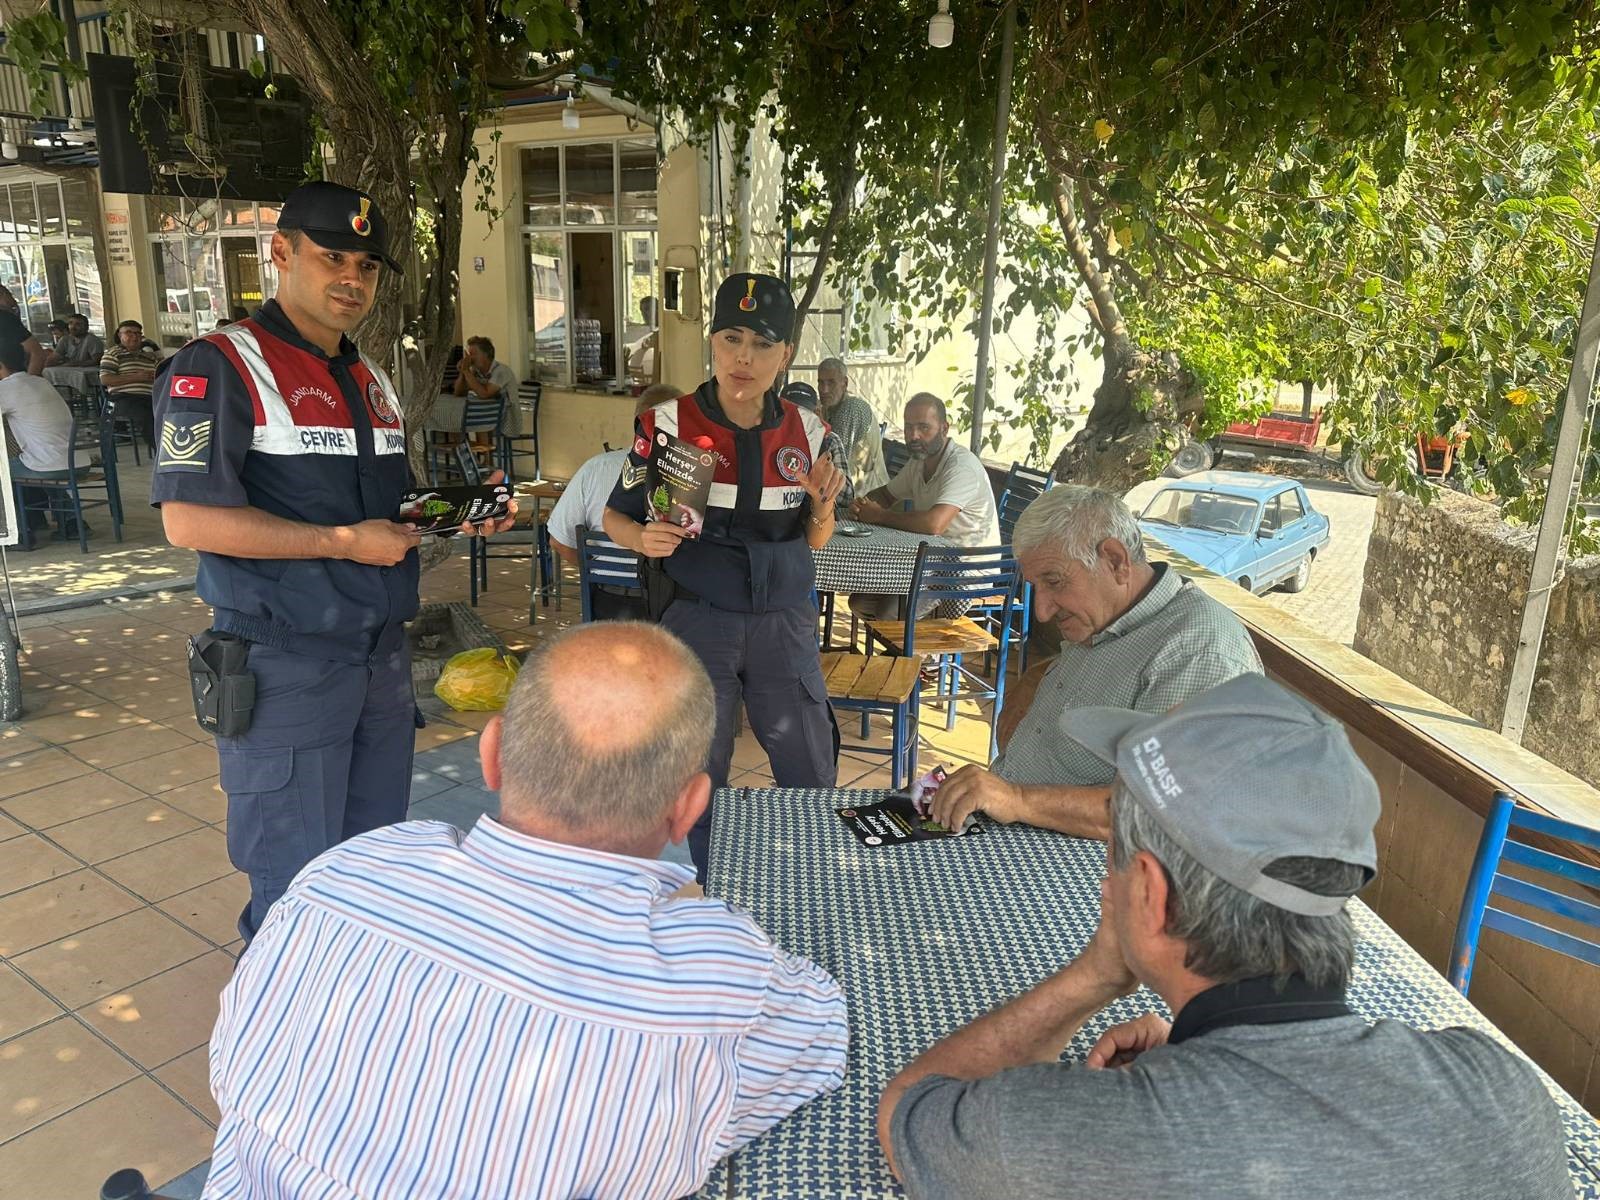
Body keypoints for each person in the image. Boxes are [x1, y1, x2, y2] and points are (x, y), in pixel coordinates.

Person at [206, 621, 848, 1199]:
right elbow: (820, 1037)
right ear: (688, 807)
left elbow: (231, 1060)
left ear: (492, 754)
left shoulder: (347, 873)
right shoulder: (710, 968)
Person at [879, 674, 1570, 1200]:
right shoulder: (1505, 1091)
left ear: (1149, 894)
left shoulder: (1096, 1137)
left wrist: (1096, 974)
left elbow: (910, 1113)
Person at [150, 180, 517, 942]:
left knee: (369, 869)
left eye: (368, 265)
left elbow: (384, 513)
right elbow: (187, 521)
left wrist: (457, 514)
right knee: (294, 889)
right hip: (286, 666)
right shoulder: (219, 366)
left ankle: (348, 1040)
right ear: (280, 252)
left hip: (381, 664)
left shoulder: (371, 379)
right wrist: (342, 543)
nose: (353, 278)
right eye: (332, 256)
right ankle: (277, 1050)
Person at [604, 272, 845, 879]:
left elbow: (815, 539)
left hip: (784, 622)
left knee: (809, 763)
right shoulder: (667, 424)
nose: (745, 356)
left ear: (786, 355)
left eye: (763, 343)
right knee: (699, 769)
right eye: (731, 337)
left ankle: (813, 885)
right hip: (698, 617)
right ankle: (714, 889)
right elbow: (615, 513)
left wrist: (822, 510)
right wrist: (642, 537)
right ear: (711, 342)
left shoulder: (809, 432)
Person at [927, 484, 1261, 840]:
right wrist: (1036, 680)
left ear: (1115, 561)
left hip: (1079, 873)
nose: (1042, 611)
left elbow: (1166, 813)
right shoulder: (1111, 614)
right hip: (1009, 825)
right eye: (1035, 586)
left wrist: (1018, 798)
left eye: (1053, 581)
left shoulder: (1197, 651)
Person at [848, 392, 1000, 620]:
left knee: (889, 613)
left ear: (944, 428)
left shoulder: (961, 467)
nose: (914, 435)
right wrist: (863, 505)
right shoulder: (919, 461)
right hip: (929, 562)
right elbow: (887, 495)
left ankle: (917, 653)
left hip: (966, 569)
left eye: (923, 428)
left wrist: (879, 516)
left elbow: (934, 524)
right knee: (860, 601)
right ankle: (904, 650)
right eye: (908, 427)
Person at [547, 380, 679, 580]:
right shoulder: (696, 477)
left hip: (607, 595)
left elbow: (559, 541)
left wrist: (596, 574)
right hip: (673, 600)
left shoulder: (595, 469)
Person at [0, 334, 85, 542]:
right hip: (78, 462)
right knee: (35, 457)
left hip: (48, 466)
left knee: (5, 467)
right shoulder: (41, 382)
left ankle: (18, 532)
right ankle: (70, 520)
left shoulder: (6, 389)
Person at [779, 380, 854, 514]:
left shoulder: (829, 440)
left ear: (817, 414)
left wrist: (819, 456)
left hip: (816, 519)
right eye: (790, 412)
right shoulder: (772, 440)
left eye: (804, 414)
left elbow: (847, 497)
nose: (797, 419)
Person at [816, 356, 888, 494]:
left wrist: (818, 428)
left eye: (831, 383)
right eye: (821, 382)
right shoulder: (829, 407)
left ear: (845, 383)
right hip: (847, 492)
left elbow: (833, 459)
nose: (824, 390)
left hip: (865, 497)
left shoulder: (851, 407)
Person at [99, 320, 162, 456]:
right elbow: (106, 379)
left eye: (138, 333)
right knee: (146, 416)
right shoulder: (113, 354)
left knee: (168, 413)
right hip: (123, 398)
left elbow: (161, 374)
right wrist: (137, 377)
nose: (134, 336)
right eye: (129, 333)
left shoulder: (149, 357)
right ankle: (161, 453)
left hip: (150, 396)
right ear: (119, 336)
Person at [0, 285, 46, 375]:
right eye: (10, 295)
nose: (13, 301)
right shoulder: (5, 318)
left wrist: (27, 382)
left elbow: (37, 354)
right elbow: (37, 353)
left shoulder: (5, 318)